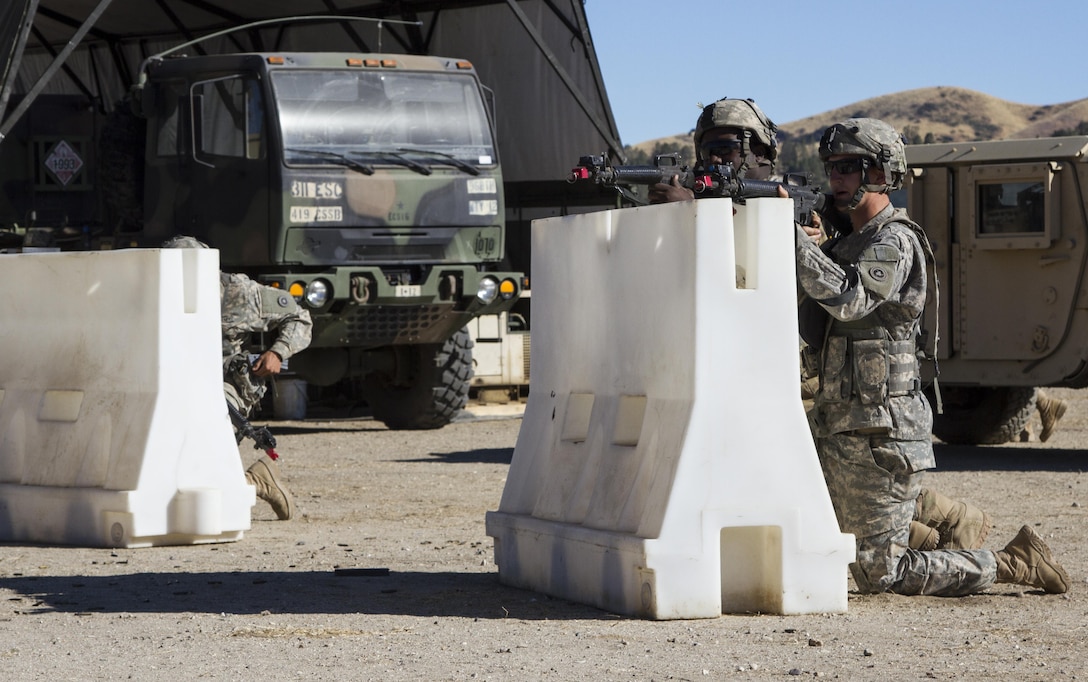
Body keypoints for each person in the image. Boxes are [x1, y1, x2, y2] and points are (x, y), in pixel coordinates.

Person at [796, 118, 1069, 595]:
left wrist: (792, 243)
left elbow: (852, 299)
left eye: (846, 167)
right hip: (842, 425)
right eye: (830, 168)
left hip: (883, 432)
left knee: (878, 574)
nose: (834, 179)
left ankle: (1009, 562)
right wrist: (818, 245)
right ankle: (944, 522)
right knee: (815, 520)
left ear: (880, 173)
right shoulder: (849, 243)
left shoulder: (894, 241)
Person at [164, 236, 313, 520]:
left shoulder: (238, 291)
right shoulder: (155, 294)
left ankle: (259, 482)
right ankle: (255, 478)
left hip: (225, 388)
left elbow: (300, 317)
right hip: (175, 384)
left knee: (201, 473)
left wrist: (277, 353)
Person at [648, 96, 779, 205]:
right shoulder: (703, 195)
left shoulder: (784, 197)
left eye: (724, 149)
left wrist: (690, 209)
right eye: (706, 152)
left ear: (759, 153)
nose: (713, 159)